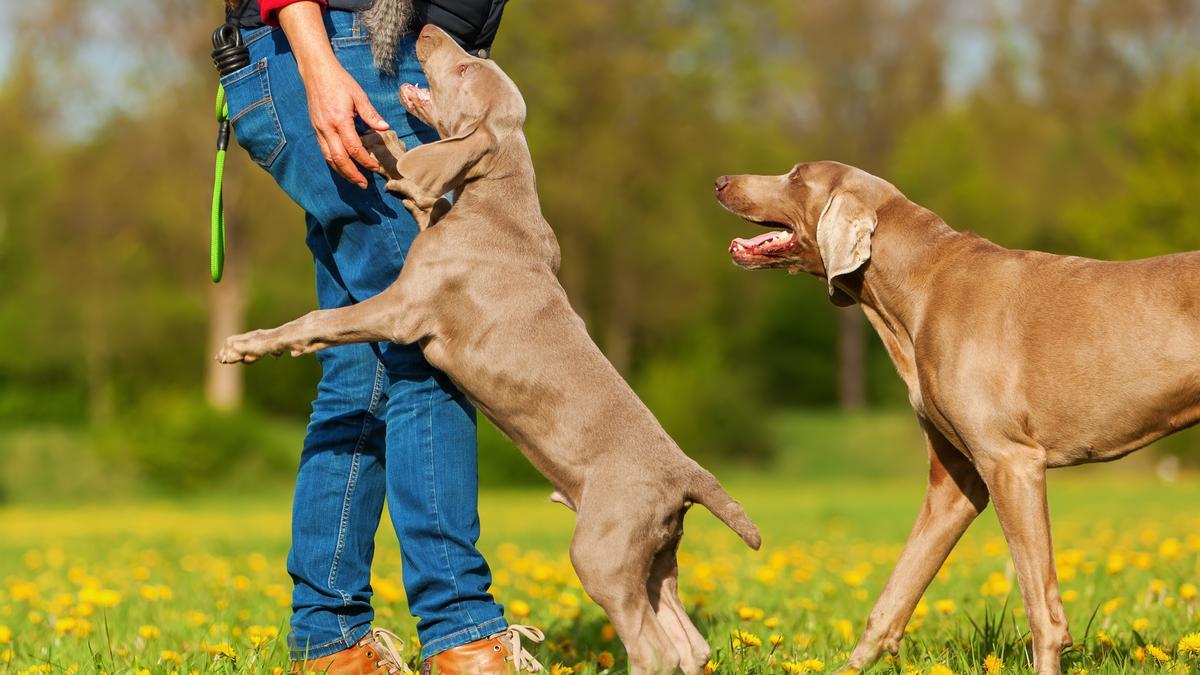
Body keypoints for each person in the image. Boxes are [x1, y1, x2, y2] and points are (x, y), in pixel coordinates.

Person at [218, 0, 541, 672]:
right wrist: (319, 65)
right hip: (343, 55)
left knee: (361, 374)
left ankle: (331, 643)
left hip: (331, 60)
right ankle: (463, 635)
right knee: (435, 342)